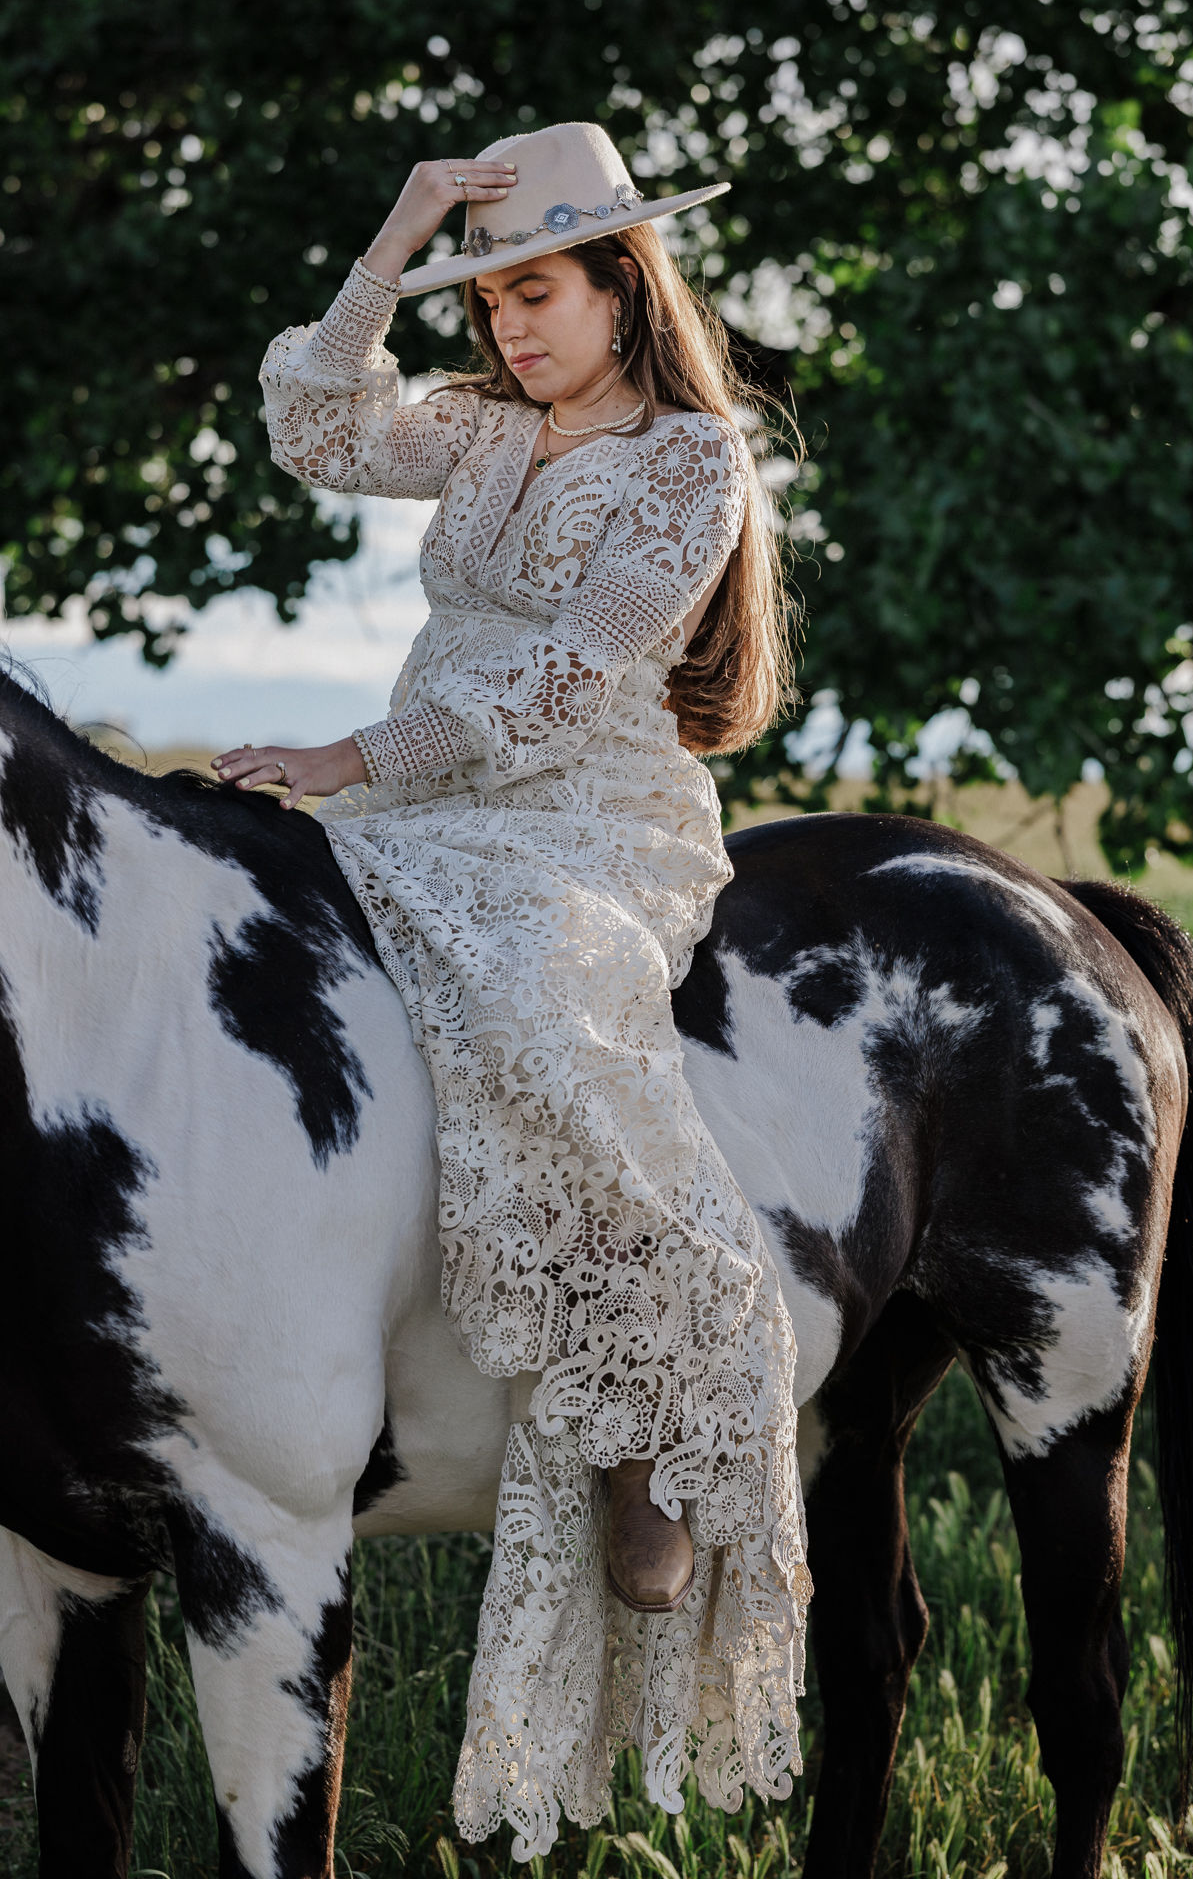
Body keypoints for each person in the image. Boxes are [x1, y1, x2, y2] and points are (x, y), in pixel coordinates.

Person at [214, 119, 810, 1858]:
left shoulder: (694, 464)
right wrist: (400, 223)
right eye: (490, 309)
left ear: (624, 285)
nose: (509, 334)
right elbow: (317, 425)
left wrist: (351, 752)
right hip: (420, 792)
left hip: (587, 818)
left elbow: (571, 673)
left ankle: (659, 1405)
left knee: (548, 1007)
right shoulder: (478, 436)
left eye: (534, 296)